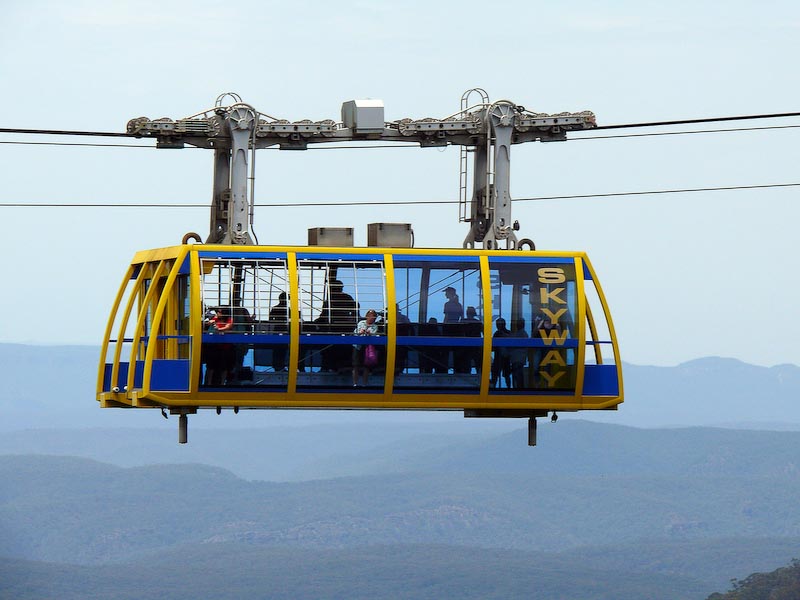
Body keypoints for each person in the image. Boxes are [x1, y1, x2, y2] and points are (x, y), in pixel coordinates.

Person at [352, 309, 379, 386]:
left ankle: (364, 384)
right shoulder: (361, 323)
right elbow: (355, 332)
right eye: (370, 316)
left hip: (367, 348)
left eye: (373, 316)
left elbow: (374, 335)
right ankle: (355, 383)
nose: (371, 318)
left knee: (366, 366)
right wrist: (360, 332)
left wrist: (369, 334)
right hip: (358, 346)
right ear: (367, 316)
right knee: (355, 365)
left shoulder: (375, 326)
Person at [268, 292, 289, 371]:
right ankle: (281, 365)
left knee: (277, 349)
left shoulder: (275, 308)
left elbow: (270, 319)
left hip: (277, 329)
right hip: (284, 330)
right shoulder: (288, 309)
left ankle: (277, 366)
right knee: (283, 350)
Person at [490, 317, 511, 388]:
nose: (497, 326)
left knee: (501, 375)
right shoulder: (506, 333)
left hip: (503, 358)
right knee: (497, 375)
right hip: (502, 358)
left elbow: (492, 347)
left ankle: (507, 388)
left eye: (498, 324)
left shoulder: (498, 334)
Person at [509, 318, 529, 389]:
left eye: (519, 323)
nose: (517, 324)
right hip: (517, 359)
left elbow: (512, 341)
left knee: (518, 376)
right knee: (517, 375)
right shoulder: (520, 333)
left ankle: (519, 390)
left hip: (518, 359)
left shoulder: (522, 334)